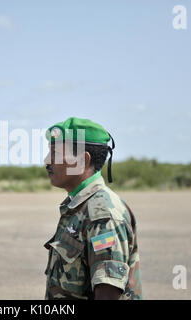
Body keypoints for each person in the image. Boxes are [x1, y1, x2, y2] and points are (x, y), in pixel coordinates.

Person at [43, 117, 143, 300]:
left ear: (83, 160)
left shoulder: (102, 214)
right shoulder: (80, 206)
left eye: (55, 154)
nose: (47, 161)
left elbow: (108, 293)